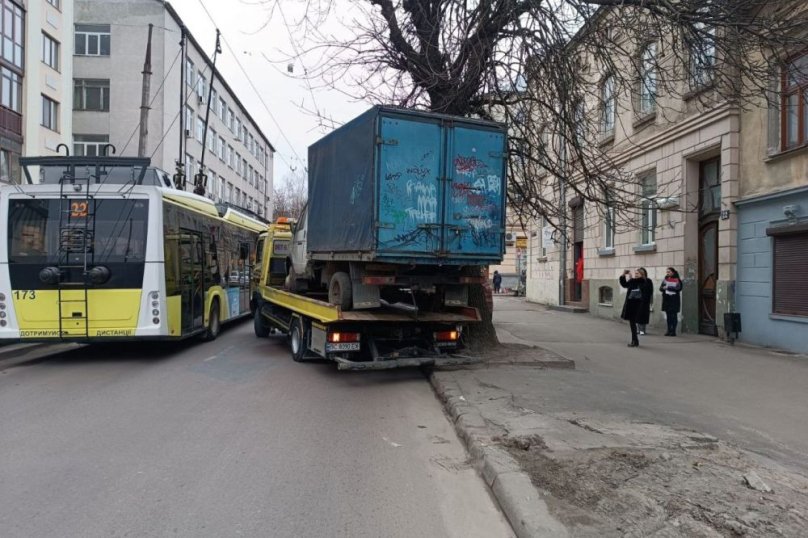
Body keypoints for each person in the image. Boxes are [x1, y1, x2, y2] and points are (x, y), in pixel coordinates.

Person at [619, 267, 653, 347]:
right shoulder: (632, 281)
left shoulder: (647, 281)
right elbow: (624, 285)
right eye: (635, 273)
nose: (636, 275)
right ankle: (634, 340)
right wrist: (623, 275)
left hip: (641, 305)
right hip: (631, 304)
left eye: (637, 273)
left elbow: (649, 292)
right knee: (632, 323)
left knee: (640, 321)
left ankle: (638, 335)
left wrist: (640, 294)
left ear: (642, 274)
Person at [660, 267, 683, 336]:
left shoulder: (677, 279)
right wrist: (663, 288)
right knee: (668, 315)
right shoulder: (665, 279)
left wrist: (668, 287)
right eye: (667, 272)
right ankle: (669, 330)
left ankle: (673, 331)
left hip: (674, 299)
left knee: (673, 315)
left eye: (669, 272)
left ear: (673, 272)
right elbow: (661, 288)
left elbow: (679, 288)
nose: (668, 273)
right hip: (667, 299)